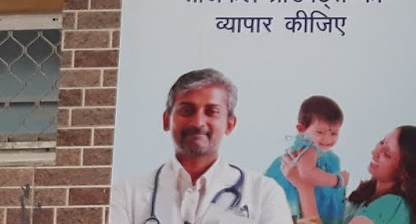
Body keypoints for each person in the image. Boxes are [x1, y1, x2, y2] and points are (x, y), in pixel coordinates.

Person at [109, 68, 294, 224]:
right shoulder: (127, 194)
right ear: (166, 120)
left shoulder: (263, 193)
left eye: (211, 112)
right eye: (187, 110)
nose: (198, 122)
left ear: (230, 124)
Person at [267, 95, 350, 224]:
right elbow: (307, 173)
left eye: (334, 133)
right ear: (301, 129)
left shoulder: (327, 157)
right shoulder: (308, 148)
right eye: (320, 132)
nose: (327, 139)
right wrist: (338, 180)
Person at [343, 126, 416, 224]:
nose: (375, 152)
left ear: (404, 173)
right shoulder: (365, 198)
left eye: (387, 154)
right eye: (382, 142)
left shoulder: (392, 204)